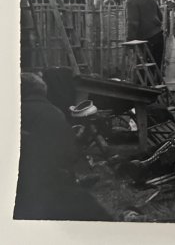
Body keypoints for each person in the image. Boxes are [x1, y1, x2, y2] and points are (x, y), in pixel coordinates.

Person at [14, 73, 112, 221]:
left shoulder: (14, 112)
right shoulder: (55, 112)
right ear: (42, 91)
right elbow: (69, 154)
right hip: (54, 181)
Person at [123, 0, 165, 70]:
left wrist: (129, 42)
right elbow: (160, 16)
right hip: (158, 36)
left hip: (147, 41)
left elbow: (132, 23)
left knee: (143, 74)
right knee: (156, 72)